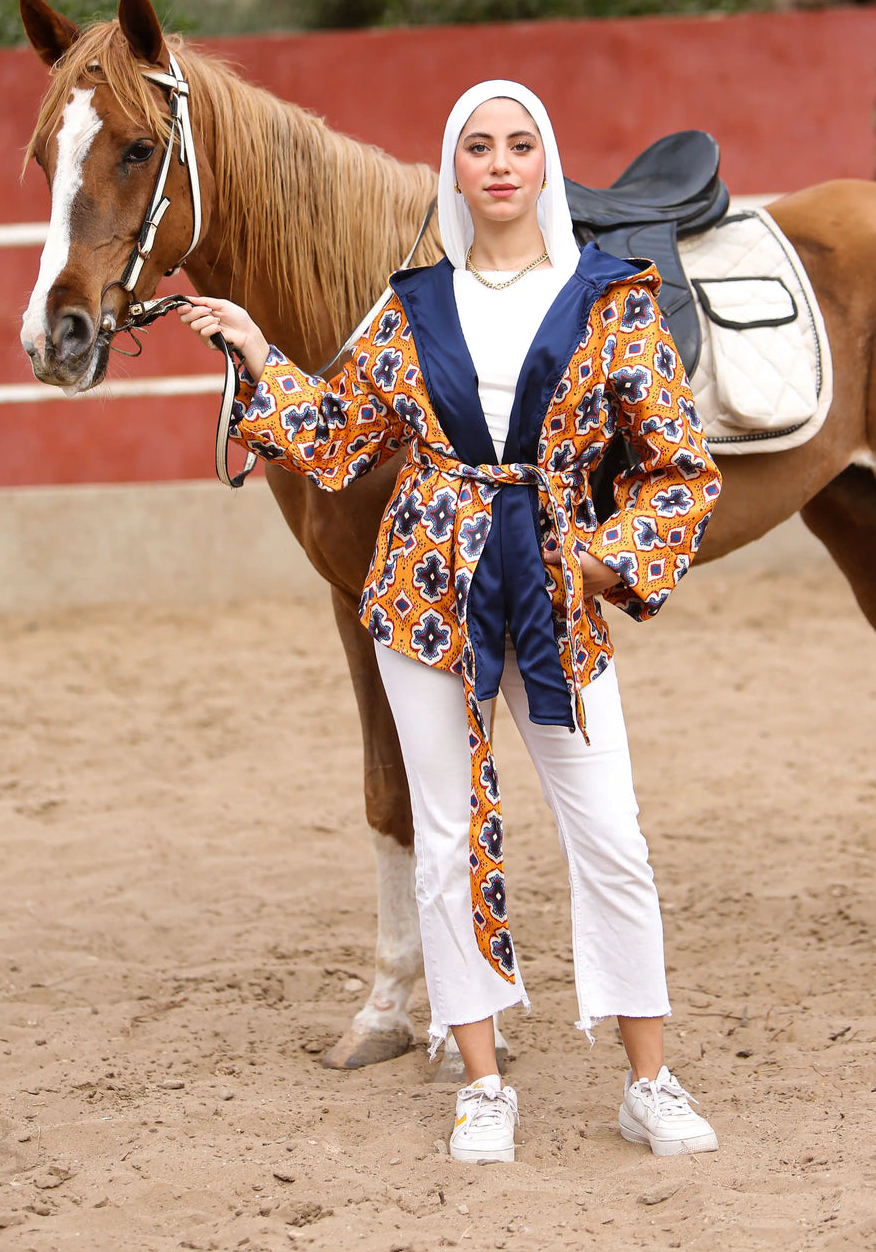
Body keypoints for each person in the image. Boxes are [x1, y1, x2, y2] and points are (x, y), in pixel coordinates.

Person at [181, 80, 722, 1165]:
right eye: (478, 146)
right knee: (447, 839)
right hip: (425, 597)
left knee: (612, 836)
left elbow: (680, 469)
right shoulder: (412, 303)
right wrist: (251, 346)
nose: (501, 163)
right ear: (454, 169)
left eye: (521, 144)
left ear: (544, 160)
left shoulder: (612, 294)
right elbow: (337, 436)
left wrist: (609, 555)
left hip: (558, 593)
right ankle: (481, 1083)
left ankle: (649, 1078)